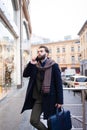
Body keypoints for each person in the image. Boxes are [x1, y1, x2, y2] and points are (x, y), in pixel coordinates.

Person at [21, 45, 63, 130]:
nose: (39, 53)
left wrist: (60, 101)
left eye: (41, 51)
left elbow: (59, 84)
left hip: (51, 99)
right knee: (33, 120)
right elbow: (25, 75)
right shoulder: (35, 65)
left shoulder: (54, 66)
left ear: (46, 54)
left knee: (51, 122)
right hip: (38, 98)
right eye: (38, 51)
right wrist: (31, 63)